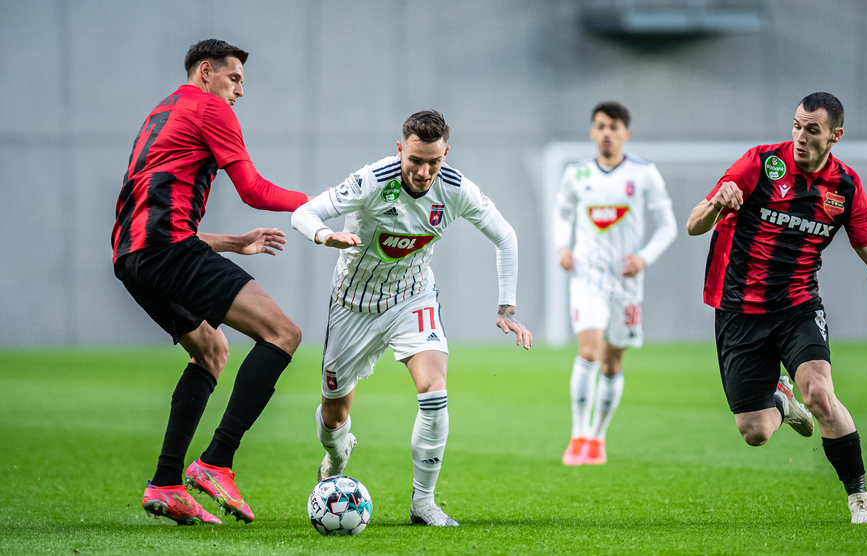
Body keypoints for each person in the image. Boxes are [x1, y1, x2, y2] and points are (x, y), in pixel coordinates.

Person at [292, 110, 532, 527]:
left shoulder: (456, 189)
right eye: (415, 161)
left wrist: (506, 306)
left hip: (412, 296)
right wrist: (325, 235)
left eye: (433, 162)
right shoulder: (371, 180)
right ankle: (337, 453)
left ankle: (424, 502)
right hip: (354, 303)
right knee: (334, 414)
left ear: (446, 153)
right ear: (400, 149)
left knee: (434, 391)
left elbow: (505, 237)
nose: (424, 172)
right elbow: (303, 214)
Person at [112, 39, 312, 525]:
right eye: (234, 78)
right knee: (283, 334)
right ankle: (216, 462)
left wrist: (231, 243)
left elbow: (152, 214)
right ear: (206, 71)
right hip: (168, 252)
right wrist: (320, 203)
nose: (240, 90)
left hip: (131, 257)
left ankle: (165, 483)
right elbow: (253, 190)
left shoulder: (163, 112)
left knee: (211, 350)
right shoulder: (210, 108)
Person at [685, 92, 867, 524]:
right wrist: (717, 202)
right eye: (797, 126)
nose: (800, 136)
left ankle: (860, 499)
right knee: (755, 432)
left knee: (819, 394)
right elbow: (694, 225)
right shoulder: (760, 164)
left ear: (835, 136)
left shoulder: (846, 187)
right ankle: (781, 399)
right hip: (740, 307)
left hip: (797, 303)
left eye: (812, 130)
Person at [553, 102, 677, 466]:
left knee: (612, 363)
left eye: (614, 126)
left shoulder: (644, 174)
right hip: (587, 276)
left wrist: (644, 258)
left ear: (626, 133)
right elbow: (562, 214)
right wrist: (563, 247)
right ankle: (577, 435)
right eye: (601, 126)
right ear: (592, 132)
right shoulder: (576, 174)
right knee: (589, 351)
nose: (607, 132)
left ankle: (597, 438)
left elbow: (668, 225)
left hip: (626, 281)